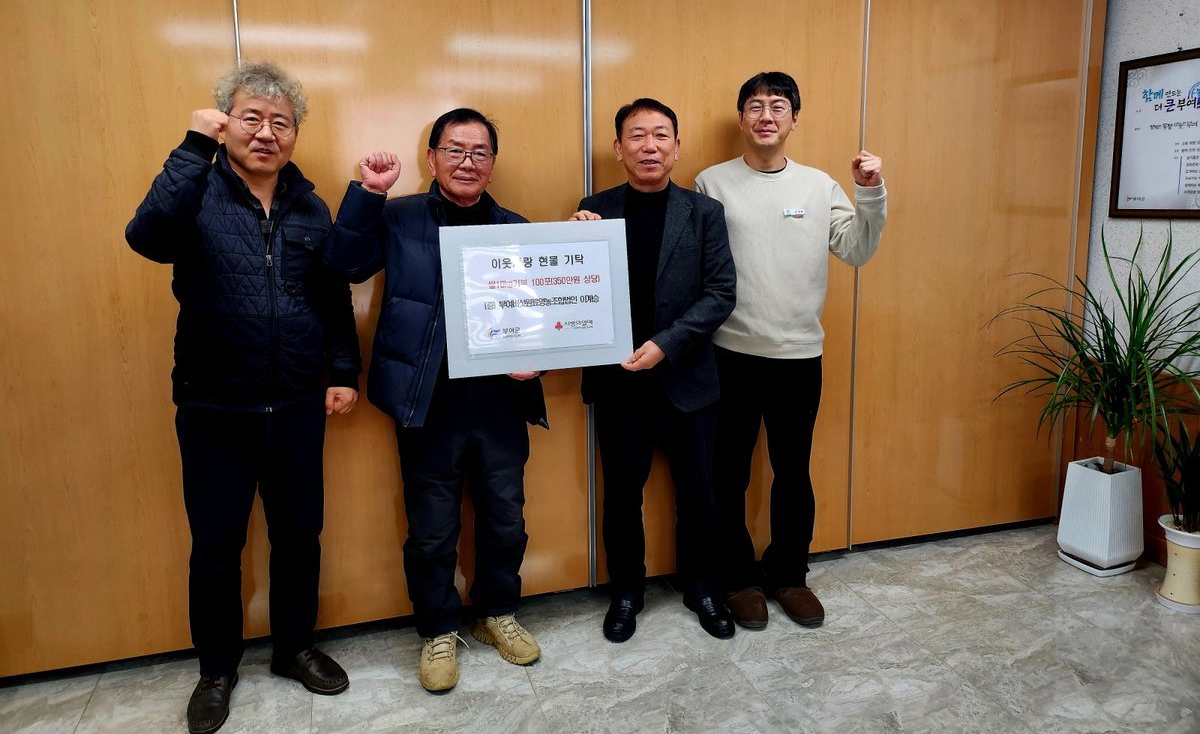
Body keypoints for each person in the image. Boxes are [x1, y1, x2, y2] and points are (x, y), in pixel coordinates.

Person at [126, 62, 361, 734]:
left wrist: (343, 370)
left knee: (299, 539)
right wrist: (192, 146)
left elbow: (334, 297)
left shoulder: (310, 206)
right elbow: (145, 237)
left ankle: (294, 648)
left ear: (295, 134)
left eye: (280, 122)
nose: (266, 133)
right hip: (214, 408)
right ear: (225, 124)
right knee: (216, 547)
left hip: (297, 405)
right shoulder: (195, 191)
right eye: (250, 118)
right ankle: (215, 671)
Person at [324, 109, 547, 693]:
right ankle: (437, 629)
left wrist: (539, 358)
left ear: (493, 164)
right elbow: (342, 265)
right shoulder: (397, 217)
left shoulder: (516, 227)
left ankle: (498, 612)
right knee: (431, 530)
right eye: (455, 150)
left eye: (479, 152)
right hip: (425, 402)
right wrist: (368, 195)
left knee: (505, 520)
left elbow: (541, 313)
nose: (467, 162)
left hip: (499, 402)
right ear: (432, 158)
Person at [694, 70, 886, 631]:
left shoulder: (819, 186)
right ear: (742, 118)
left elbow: (856, 250)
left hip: (799, 355)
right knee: (728, 475)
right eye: (755, 106)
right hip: (729, 353)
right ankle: (738, 578)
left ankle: (790, 576)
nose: (766, 116)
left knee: (793, 473)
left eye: (778, 106)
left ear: (794, 119)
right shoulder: (711, 183)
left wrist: (870, 192)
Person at [571, 98, 736, 642]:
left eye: (661, 135)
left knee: (699, 493)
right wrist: (572, 241)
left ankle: (702, 587)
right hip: (619, 382)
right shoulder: (593, 210)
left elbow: (721, 293)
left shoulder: (704, 212)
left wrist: (666, 344)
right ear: (618, 148)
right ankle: (626, 592)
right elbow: (573, 287)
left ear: (677, 147)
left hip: (688, 378)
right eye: (637, 136)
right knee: (622, 496)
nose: (650, 146)